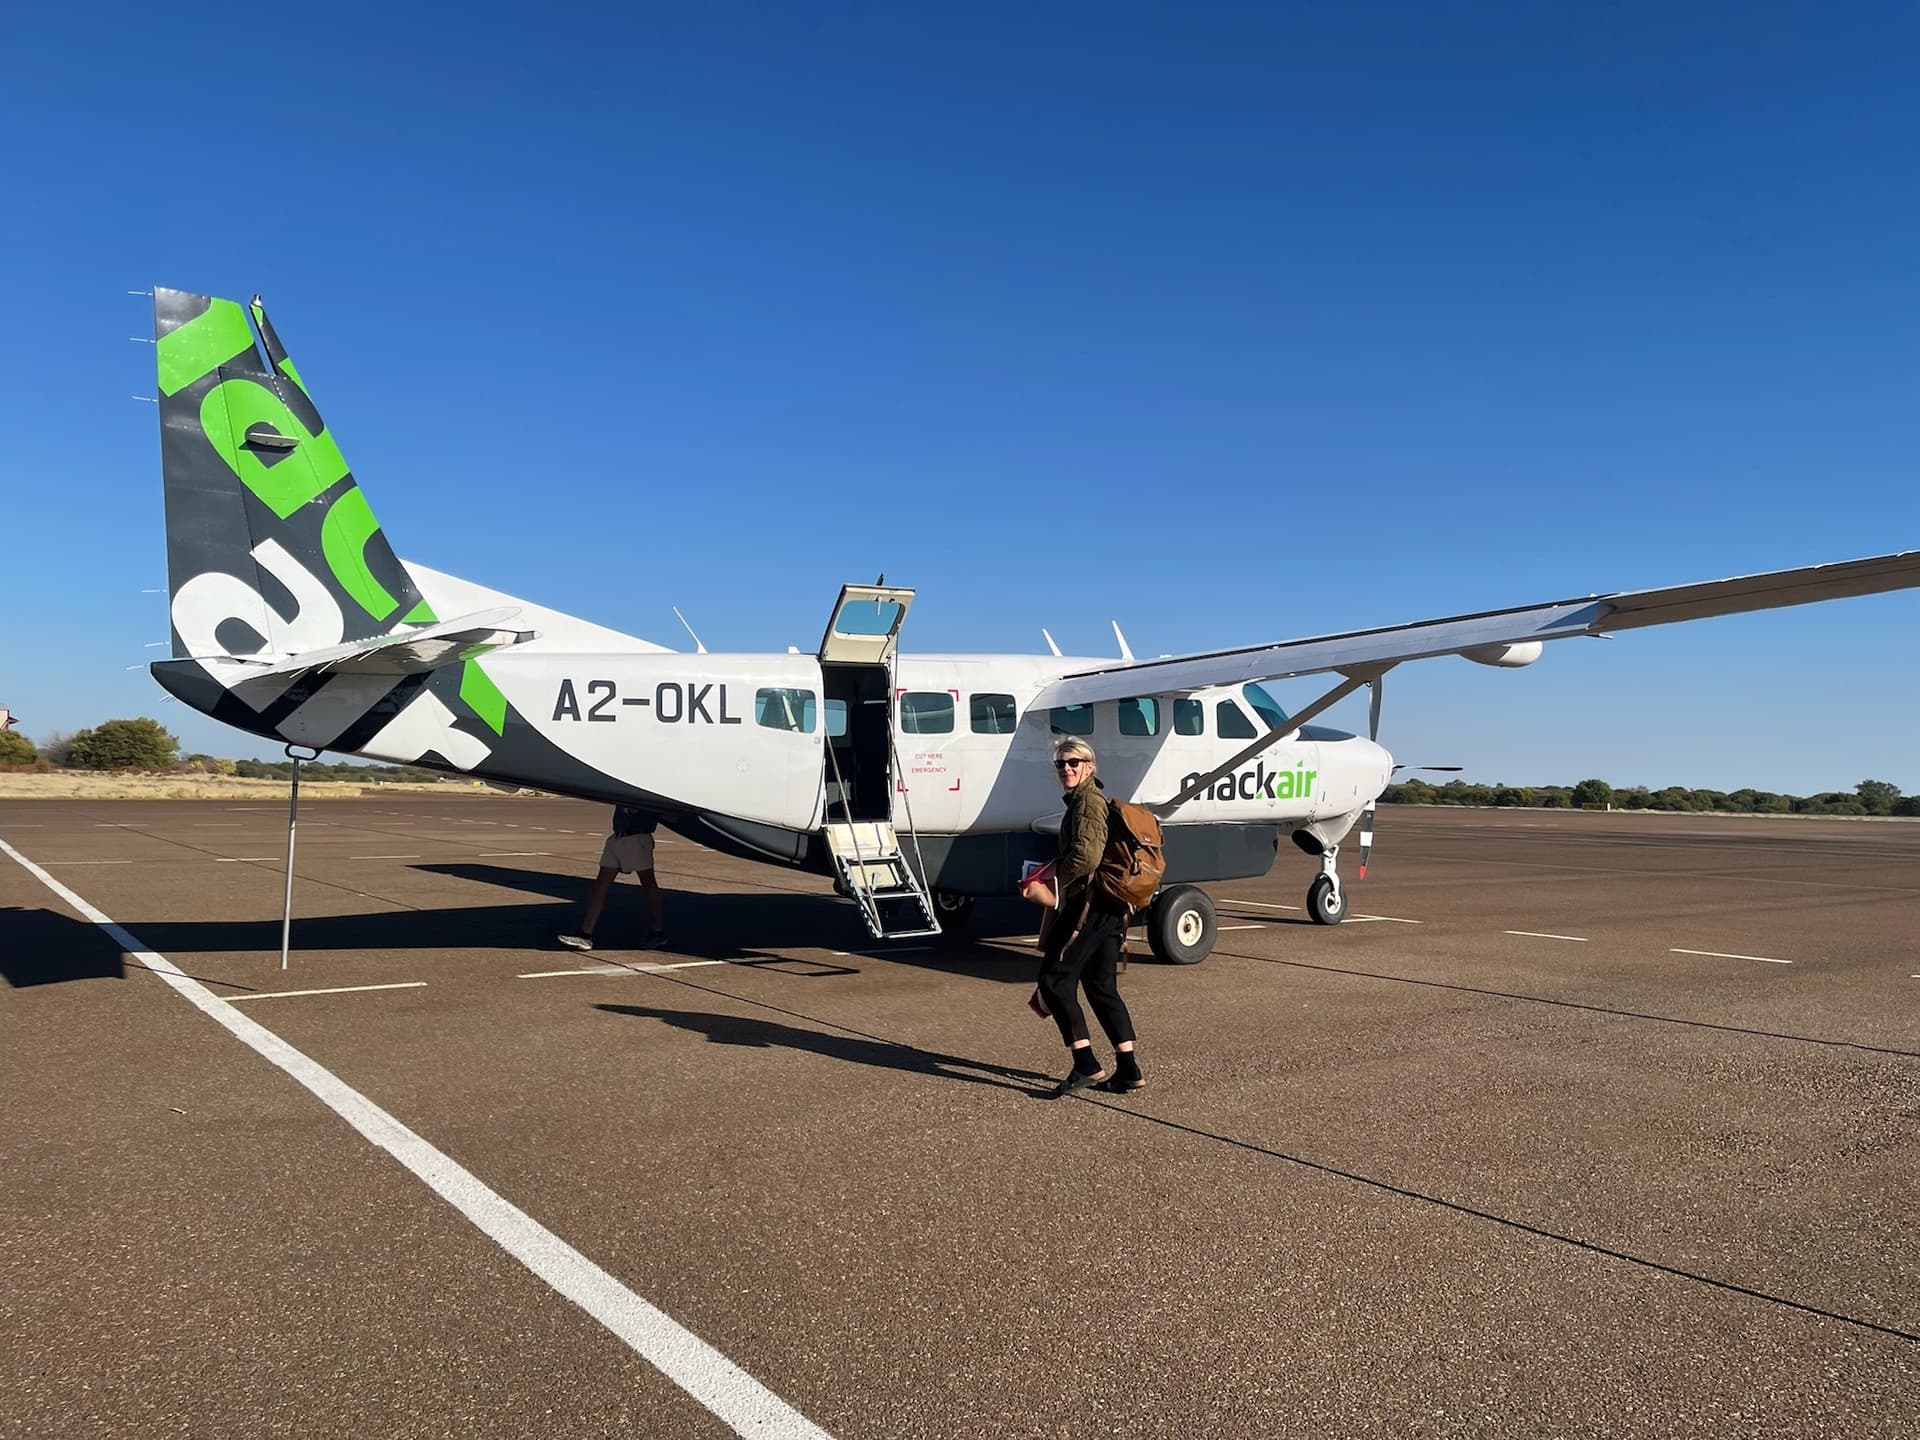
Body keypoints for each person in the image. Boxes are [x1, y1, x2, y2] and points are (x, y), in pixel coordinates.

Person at [1036, 738, 1144, 1098]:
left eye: (1073, 762)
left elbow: (1086, 857)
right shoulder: (1089, 801)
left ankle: (1086, 1063)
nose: (1066, 768)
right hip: (1111, 907)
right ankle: (1128, 1068)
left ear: (1089, 766)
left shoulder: (1087, 803)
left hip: (1092, 906)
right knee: (1100, 985)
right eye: (1060, 763)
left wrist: (1051, 880)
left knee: (1054, 979)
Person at [558, 804, 665, 952]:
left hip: (637, 838)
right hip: (617, 837)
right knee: (600, 885)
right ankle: (585, 934)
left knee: (648, 884)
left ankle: (657, 932)